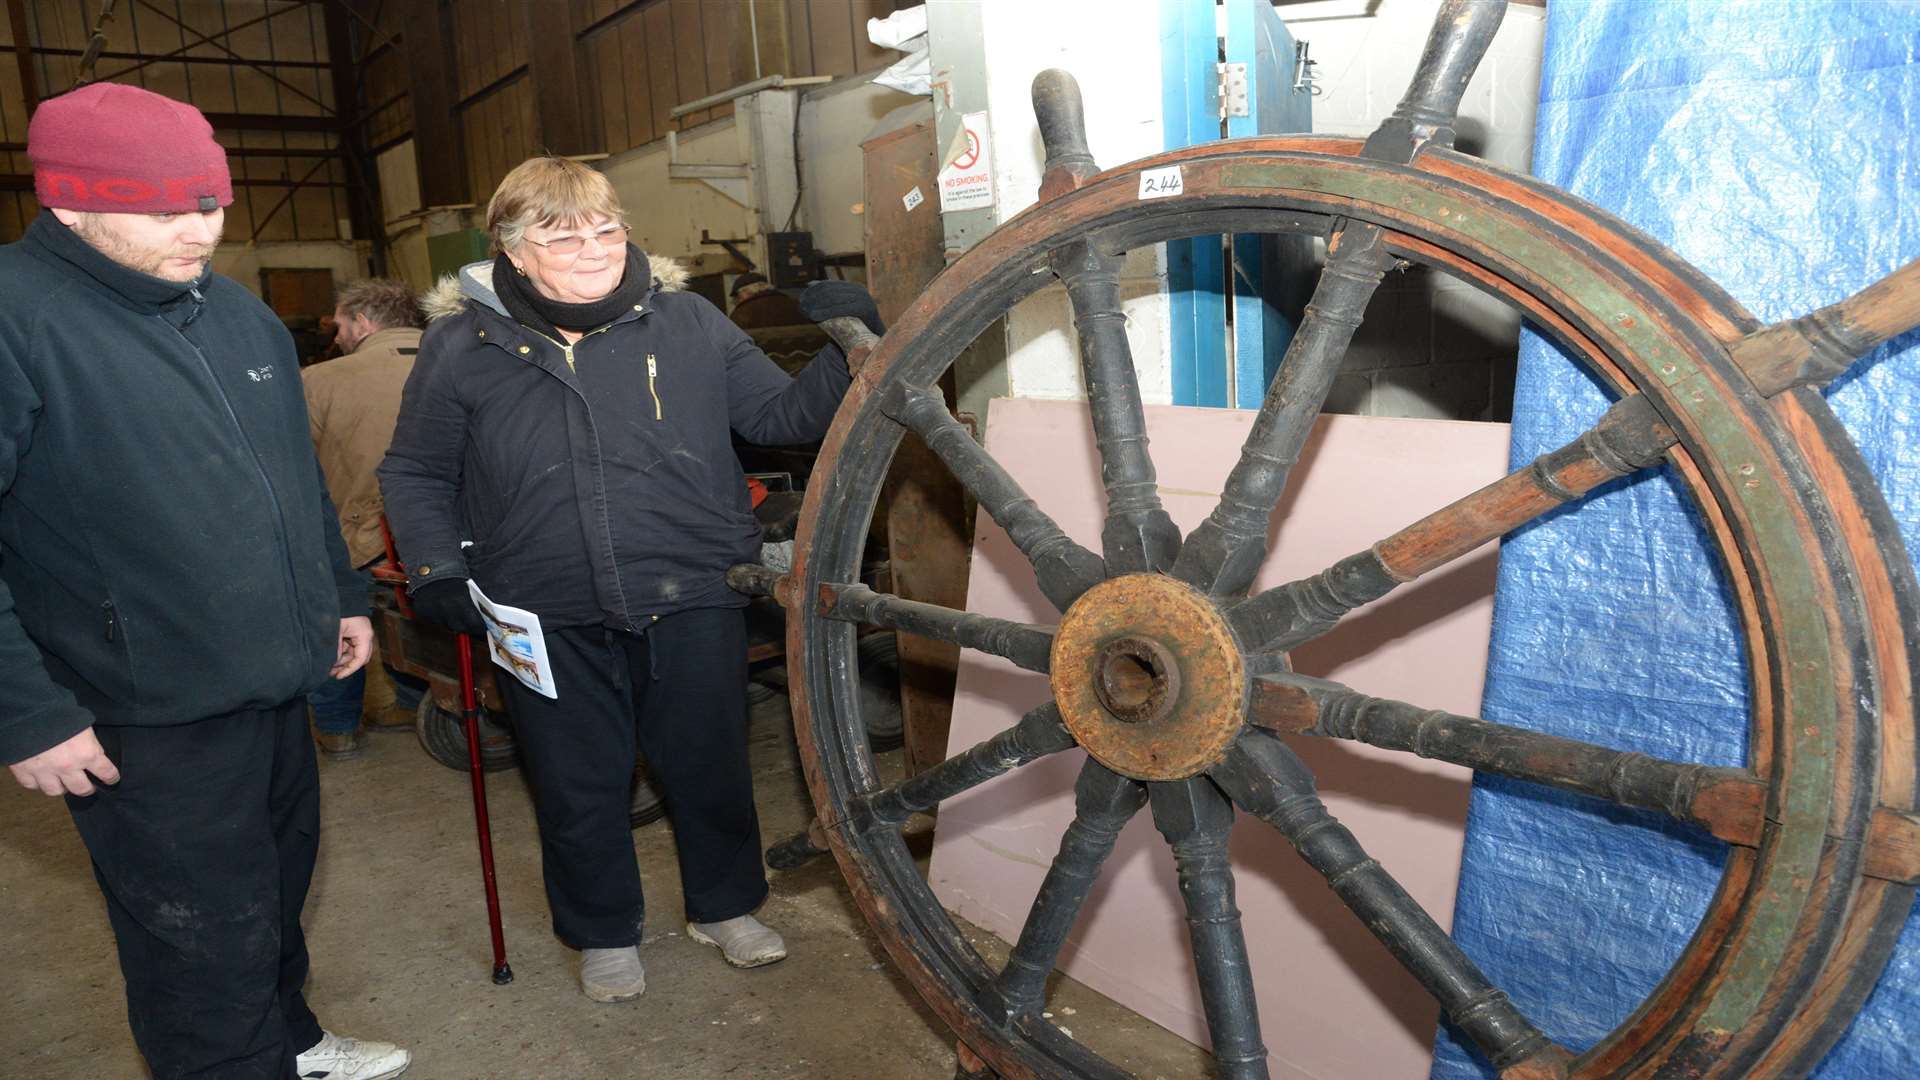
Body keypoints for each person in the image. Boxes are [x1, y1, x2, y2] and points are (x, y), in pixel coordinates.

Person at [379, 155, 879, 1004]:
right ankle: (603, 931)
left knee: (710, 763)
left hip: (690, 586)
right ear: (512, 246)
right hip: (542, 603)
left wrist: (848, 343)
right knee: (578, 780)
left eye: (606, 229)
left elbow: (780, 418)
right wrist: (435, 569)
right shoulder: (462, 344)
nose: (591, 248)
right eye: (561, 234)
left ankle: (726, 907)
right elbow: (415, 469)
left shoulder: (688, 323)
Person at [0, 83, 410, 1079]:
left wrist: (338, 600)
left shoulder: (236, 314)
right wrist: (25, 713)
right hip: (141, 706)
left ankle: (292, 1042)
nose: (199, 230)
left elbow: (294, 481)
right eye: (163, 209)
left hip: (271, 677)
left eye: (211, 204)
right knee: (198, 939)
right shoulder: (19, 320)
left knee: (271, 886)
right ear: (69, 200)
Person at [304, 278, 430, 759]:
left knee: (339, 620)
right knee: (426, 620)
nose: (335, 337)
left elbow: (298, 471)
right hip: (447, 539)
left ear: (362, 320)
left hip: (353, 536)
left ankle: (338, 726)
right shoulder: (471, 363)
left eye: (339, 324)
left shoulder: (321, 380)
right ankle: (418, 704)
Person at [726, 270, 808, 329]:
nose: (737, 300)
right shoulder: (796, 305)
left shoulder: (741, 314)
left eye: (738, 296)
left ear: (747, 292)